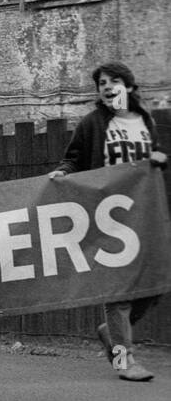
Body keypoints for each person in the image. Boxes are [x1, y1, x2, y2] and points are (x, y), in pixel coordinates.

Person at [49, 62, 166, 382]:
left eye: (114, 81)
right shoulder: (92, 123)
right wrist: (63, 172)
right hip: (107, 215)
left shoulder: (144, 120)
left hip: (142, 213)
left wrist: (160, 158)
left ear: (128, 86)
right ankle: (123, 361)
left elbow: (153, 157)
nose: (107, 86)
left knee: (155, 284)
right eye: (101, 82)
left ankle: (110, 332)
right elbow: (73, 157)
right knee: (118, 292)